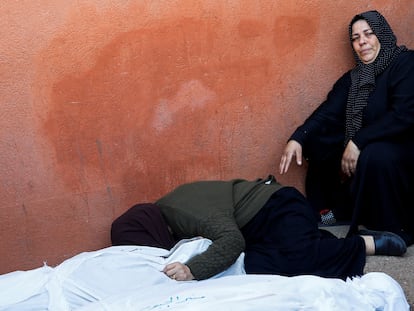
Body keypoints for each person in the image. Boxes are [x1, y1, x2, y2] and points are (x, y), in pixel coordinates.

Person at [279, 10, 414, 246]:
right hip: (370, 152)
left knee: (375, 154)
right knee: (320, 139)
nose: (362, 41)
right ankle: (333, 211)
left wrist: (358, 141)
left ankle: (393, 230)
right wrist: (298, 138)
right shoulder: (353, 78)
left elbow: (403, 115)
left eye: (368, 34)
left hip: (403, 152)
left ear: (381, 34)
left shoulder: (405, 63)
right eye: (355, 37)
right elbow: (327, 112)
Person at [111, 176, 406, 282]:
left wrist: (192, 270)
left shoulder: (180, 211)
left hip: (279, 206)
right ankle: (319, 240)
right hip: (262, 229)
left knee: (296, 259)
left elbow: (231, 240)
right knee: (254, 267)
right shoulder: (170, 222)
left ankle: (363, 243)